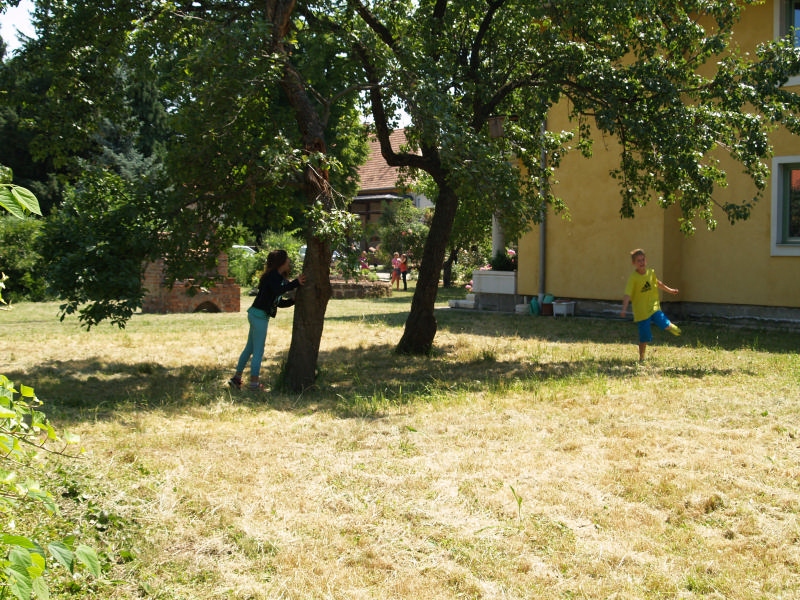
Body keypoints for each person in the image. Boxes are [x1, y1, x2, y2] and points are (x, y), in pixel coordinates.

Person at [229, 249, 306, 391]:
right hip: (259, 317)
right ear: (281, 262)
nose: (289, 261)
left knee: (250, 348)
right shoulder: (272, 276)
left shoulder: (278, 278)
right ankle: (254, 384)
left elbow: (277, 301)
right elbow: (278, 291)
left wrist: (292, 301)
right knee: (258, 351)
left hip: (256, 315)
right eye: (287, 259)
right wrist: (296, 283)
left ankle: (236, 379)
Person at [620, 248, 681, 362]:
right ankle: (641, 358)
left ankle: (673, 328)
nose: (641, 262)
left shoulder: (650, 273)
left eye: (643, 260)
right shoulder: (633, 278)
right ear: (634, 263)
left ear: (646, 260)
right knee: (645, 337)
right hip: (642, 312)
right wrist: (624, 308)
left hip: (653, 307)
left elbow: (658, 283)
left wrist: (670, 290)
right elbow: (627, 294)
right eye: (638, 261)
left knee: (663, 322)